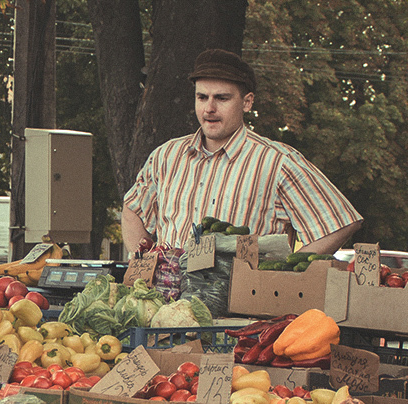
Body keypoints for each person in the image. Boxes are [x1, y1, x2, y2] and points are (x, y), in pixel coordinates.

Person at [121, 48, 363, 256]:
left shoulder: (277, 162)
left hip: (241, 307)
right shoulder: (166, 156)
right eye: (202, 97)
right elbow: (132, 209)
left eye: (222, 98)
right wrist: (144, 265)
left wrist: (288, 271)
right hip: (171, 304)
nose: (209, 108)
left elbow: (340, 222)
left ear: (247, 102)